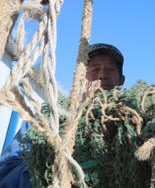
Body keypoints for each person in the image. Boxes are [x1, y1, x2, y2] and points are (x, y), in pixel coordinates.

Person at [0, 43, 126, 187]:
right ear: (80, 76)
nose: (102, 75)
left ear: (121, 80)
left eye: (110, 69)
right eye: (95, 68)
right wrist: (54, 173)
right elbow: (7, 169)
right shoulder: (49, 117)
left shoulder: (136, 122)